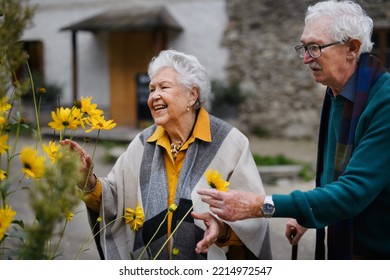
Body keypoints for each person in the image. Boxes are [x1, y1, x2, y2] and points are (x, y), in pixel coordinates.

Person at [198, 0, 390, 260]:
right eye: (304, 47)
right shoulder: (339, 93)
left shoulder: (383, 101)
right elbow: (333, 176)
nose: (307, 58)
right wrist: (309, 214)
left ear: (352, 48)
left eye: (315, 47)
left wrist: (260, 205)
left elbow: (353, 191)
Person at [63, 49, 271, 260]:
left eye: (164, 87)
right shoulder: (143, 143)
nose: (154, 96)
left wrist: (223, 230)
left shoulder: (229, 142)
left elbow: (253, 217)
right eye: (152, 89)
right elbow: (115, 199)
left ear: (192, 94)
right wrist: (88, 182)